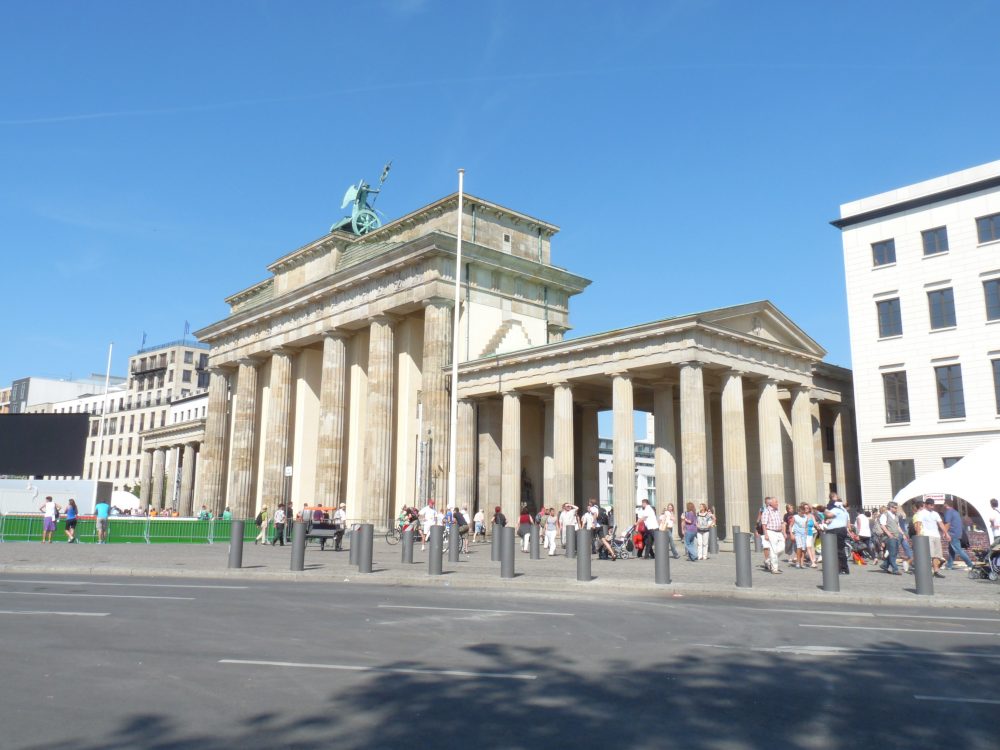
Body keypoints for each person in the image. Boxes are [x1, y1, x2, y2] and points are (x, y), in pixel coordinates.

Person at [912, 499, 948, 578]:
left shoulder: (935, 514)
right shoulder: (921, 513)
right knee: (929, 555)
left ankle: (936, 571)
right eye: (930, 505)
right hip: (927, 535)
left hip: (936, 535)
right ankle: (928, 571)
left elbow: (940, 523)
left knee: (936, 555)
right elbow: (918, 524)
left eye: (933, 505)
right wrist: (918, 535)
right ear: (926, 505)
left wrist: (946, 533)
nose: (932, 506)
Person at [941, 499, 974, 571]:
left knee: (958, 550)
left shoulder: (948, 512)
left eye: (944, 504)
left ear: (945, 504)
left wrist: (945, 533)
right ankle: (949, 565)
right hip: (958, 533)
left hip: (952, 534)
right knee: (951, 550)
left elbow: (947, 523)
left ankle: (970, 564)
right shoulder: (955, 512)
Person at [824, 493, 851, 575]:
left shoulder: (836, 509)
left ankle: (841, 568)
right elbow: (846, 521)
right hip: (841, 529)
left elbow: (828, 514)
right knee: (840, 549)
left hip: (835, 530)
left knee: (837, 550)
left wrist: (824, 510)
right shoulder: (844, 510)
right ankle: (842, 568)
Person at [760, 497, 785, 574]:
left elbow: (781, 522)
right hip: (770, 531)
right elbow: (764, 524)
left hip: (779, 532)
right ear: (771, 504)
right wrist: (766, 534)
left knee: (782, 548)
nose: (777, 503)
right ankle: (774, 569)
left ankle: (768, 560)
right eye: (776, 502)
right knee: (773, 550)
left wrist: (784, 532)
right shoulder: (766, 511)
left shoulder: (777, 510)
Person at [877, 501, 903, 575]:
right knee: (892, 553)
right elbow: (882, 525)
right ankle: (895, 569)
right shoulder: (885, 515)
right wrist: (888, 534)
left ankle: (884, 565)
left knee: (894, 552)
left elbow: (898, 526)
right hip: (889, 536)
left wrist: (902, 533)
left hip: (896, 536)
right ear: (890, 507)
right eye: (895, 508)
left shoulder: (896, 515)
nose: (896, 509)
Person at [791, 504, 810, 568]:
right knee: (799, 547)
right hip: (797, 533)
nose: (803, 513)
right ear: (798, 511)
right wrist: (791, 534)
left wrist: (806, 532)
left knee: (804, 549)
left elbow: (806, 526)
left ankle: (802, 562)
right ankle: (798, 562)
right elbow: (790, 526)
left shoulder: (805, 517)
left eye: (803, 512)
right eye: (801, 512)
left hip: (804, 534)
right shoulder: (795, 517)